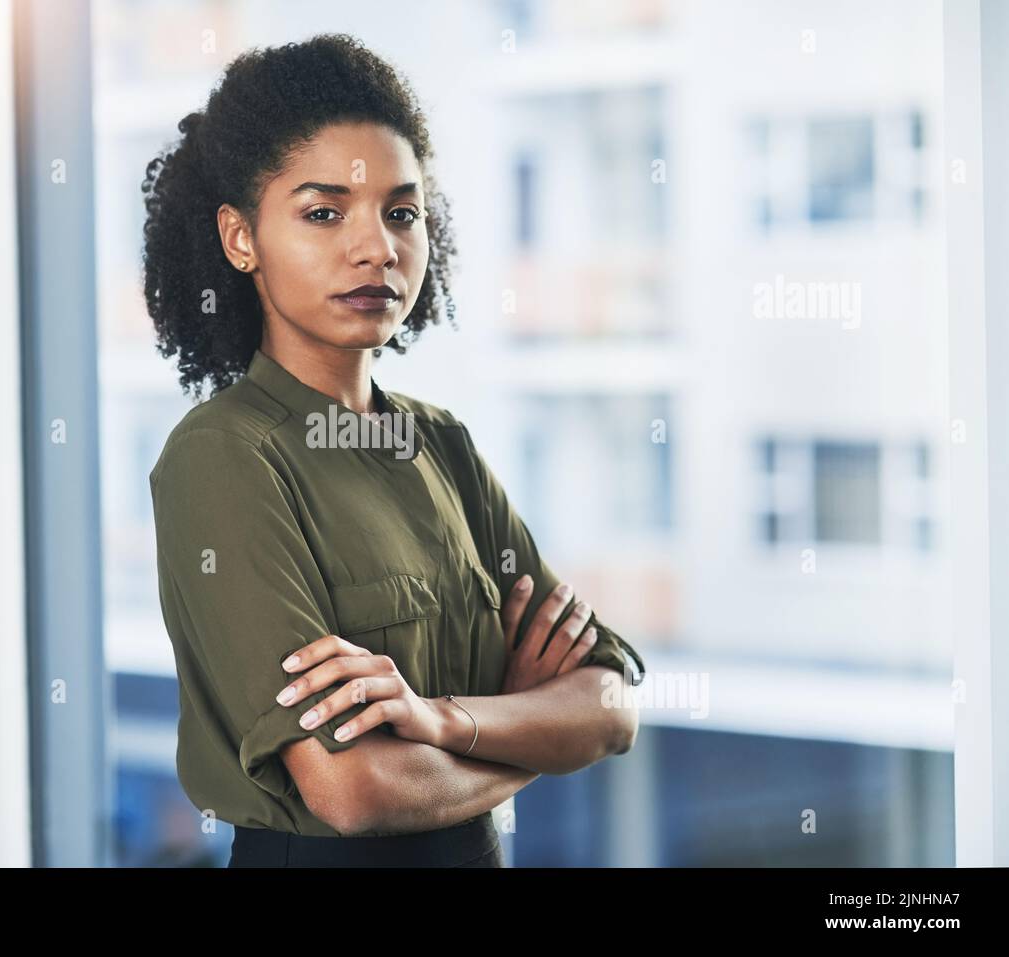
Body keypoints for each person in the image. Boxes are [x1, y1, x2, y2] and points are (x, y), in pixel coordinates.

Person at [142, 33, 646, 868]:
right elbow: (353, 789)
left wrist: (442, 719)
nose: (376, 247)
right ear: (240, 238)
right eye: (323, 212)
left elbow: (611, 706)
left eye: (401, 212)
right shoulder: (223, 458)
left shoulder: (439, 444)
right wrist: (530, 733)